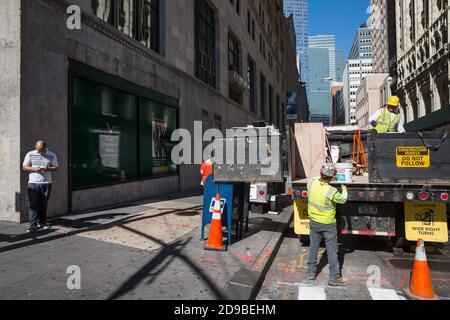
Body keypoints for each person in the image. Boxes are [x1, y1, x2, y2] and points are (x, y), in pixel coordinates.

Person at [307, 164, 349, 287]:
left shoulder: (311, 183)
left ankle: (311, 273)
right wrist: (344, 187)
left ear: (321, 174)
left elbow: (315, 178)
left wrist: (327, 175)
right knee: (332, 251)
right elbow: (342, 199)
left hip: (314, 222)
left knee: (313, 247)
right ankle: (334, 277)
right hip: (328, 224)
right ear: (331, 177)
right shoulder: (331, 190)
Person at [22, 140, 58, 233]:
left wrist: (47, 168)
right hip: (33, 183)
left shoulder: (52, 155)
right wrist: (34, 168)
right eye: (38, 151)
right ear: (35, 147)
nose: (40, 153)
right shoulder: (30, 154)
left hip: (46, 183)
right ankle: (32, 224)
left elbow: (56, 167)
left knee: (43, 204)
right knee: (33, 204)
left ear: (46, 148)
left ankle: (42, 223)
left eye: (42, 151)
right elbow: (24, 167)